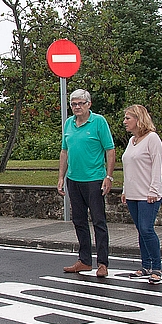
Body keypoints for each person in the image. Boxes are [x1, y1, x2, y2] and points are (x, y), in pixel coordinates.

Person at [57, 89, 116, 277]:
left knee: (99, 221)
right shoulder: (68, 124)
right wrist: (61, 177)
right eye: (73, 104)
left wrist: (109, 176)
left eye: (80, 103)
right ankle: (84, 260)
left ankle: (102, 263)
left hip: (94, 178)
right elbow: (64, 151)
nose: (76, 107)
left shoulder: (98, 122)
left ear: (89, 104)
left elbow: (110, 150)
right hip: (74, 179)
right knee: (79, 220)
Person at [121, 105, 162, 284]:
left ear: (138, 119)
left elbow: (157, 166)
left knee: (147, 229)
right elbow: (128, 168)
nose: (124, 122)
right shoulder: (132, 141)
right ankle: (145, 265)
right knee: (140, 230)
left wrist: (154, 190)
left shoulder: (152, 139)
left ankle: (157, 267)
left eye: (128, 118)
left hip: (148, 194)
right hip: (133, 193)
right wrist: (125, 189)